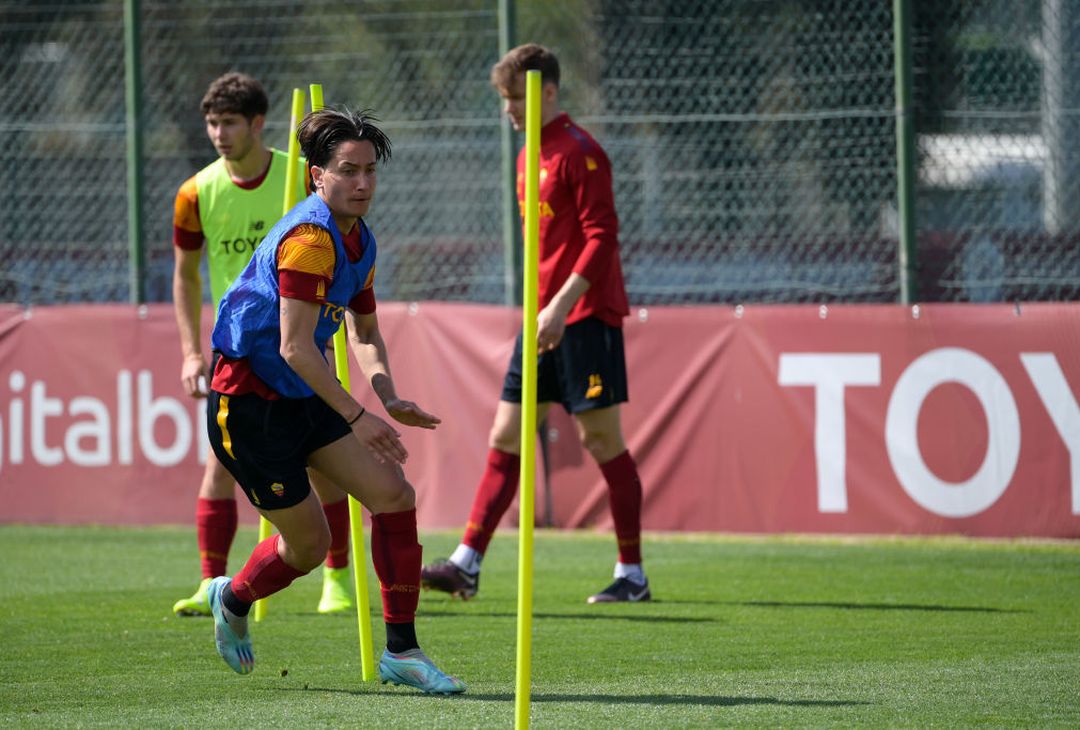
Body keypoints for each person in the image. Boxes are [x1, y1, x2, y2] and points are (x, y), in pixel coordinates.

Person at [203, 107, 465, 694]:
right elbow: (296, 348)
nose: (364, 183)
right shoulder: (310, 240)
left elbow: (364, 332)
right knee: (310, 547)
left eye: (371, 170)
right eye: (348, 171)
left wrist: (389, 397)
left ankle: (402, 651)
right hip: (249, 404)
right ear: (317, 175)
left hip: (304, 393)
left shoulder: (360, 239)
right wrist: (357, 415)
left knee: (394, 495)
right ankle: (234, 596)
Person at [421, 44, 649, 604]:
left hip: (584, 317)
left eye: (514, 97)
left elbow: (602, 240)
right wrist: (543, 310)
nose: (507, 110)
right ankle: (466, 563)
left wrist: (562, 305)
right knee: (505, 434)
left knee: (600, 438)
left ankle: (632, 575)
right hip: (541, 318)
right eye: (502, 99)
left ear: (548, 91)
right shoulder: (528, 155)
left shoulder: (581, 152)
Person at [171, 72, 354, 618]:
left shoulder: (301, 179)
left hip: (301, 340)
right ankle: (212, 584)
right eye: (211, 123)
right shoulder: (195, 192)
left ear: (256, 124)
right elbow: (185, 276)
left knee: (324, 464)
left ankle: (338, 577)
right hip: (241, 352)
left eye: (229, 122)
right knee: (218, 465)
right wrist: (189, 350)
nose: (219, 133)